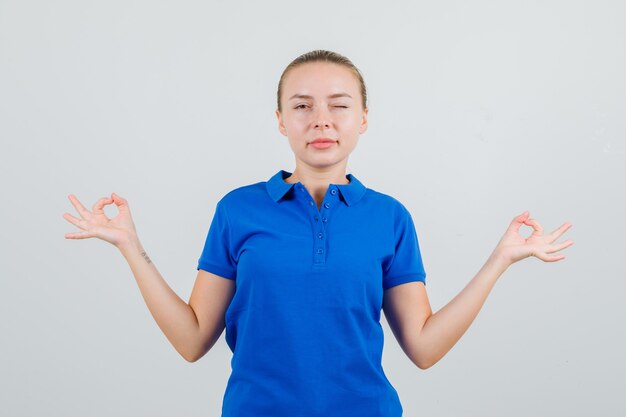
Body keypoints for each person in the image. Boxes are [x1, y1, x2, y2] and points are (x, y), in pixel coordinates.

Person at [63, 49, 574, 417]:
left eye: (339, 104)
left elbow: (422, 346)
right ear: (281, 121)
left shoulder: (389, 217)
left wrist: (499, 260)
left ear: (364, 119)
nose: (321, 120)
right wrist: (132, 248)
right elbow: (193, 339)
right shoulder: (238, 210)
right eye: (302, 105)